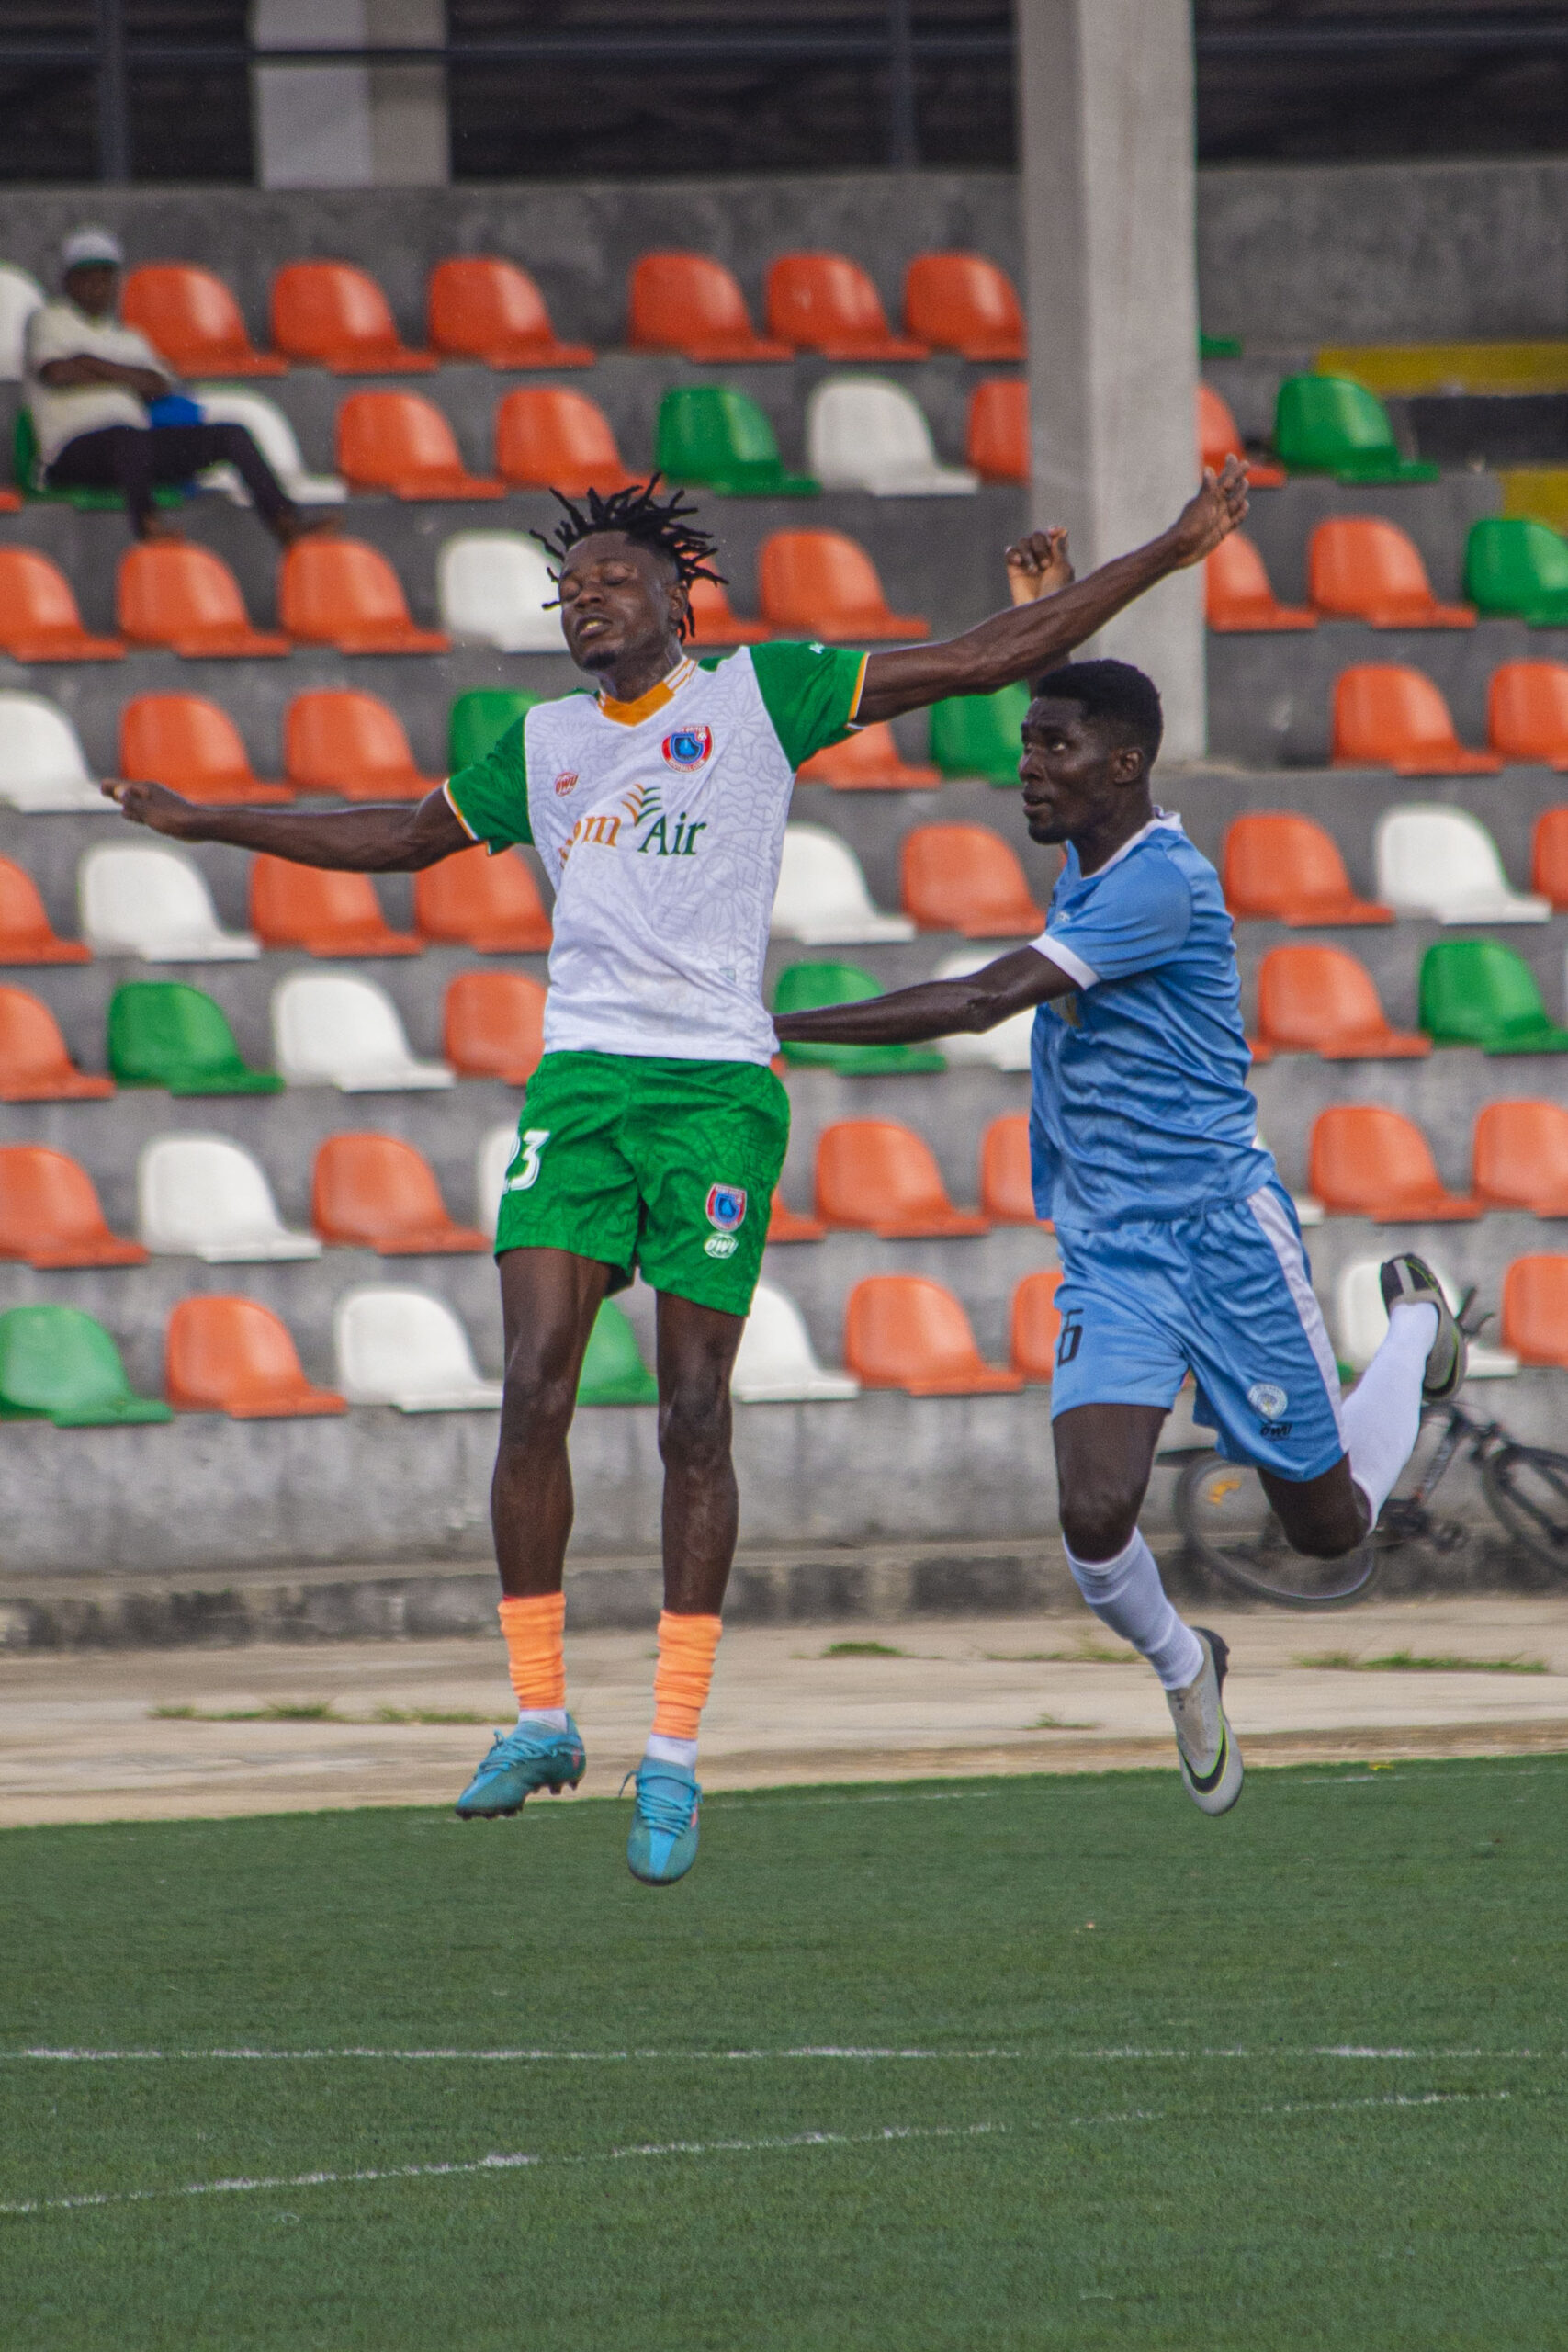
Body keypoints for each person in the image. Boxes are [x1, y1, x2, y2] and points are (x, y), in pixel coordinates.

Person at [105, 461, 1248, 1883]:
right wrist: (211, 825)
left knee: (692, 1412)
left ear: (676, 601)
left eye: (609, 581)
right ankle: (537, 1714)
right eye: (566, 589)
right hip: (580, 1082)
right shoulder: (539, 746)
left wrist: (1169, 545)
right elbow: (399, 840)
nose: (582, 602)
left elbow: (972, 661)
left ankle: (674, 1756)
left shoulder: (758, 701)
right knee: (532, 1379)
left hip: (714, 1090)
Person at [773, 657, 1465, 1816]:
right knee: (1093, 1513)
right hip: (1115, 1252)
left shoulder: (1160, 886)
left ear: (1125, 765)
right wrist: (1064, 602)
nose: (1027, 768)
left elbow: (982, 1002)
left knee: (1331, 1532)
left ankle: (1412, 1330)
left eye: (1054, 748)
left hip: (1222, 1244)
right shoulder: (1097, 850)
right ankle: (1189, 1667)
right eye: (1029, 743)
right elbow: (1107, 706)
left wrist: (772, 1025)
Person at [23, 228, 324, 546]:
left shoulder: (131, 338)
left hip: (131, 451)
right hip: (71, 452)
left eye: (105, 276)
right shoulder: (49, 321)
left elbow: (158, 387)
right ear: (68, 282)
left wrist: (88, 361)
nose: (97, 285)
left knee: (232, 433)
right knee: (127, 437)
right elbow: (57, 373)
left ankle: (286, 523)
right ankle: (149, 527)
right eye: (86, 276)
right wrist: (128, 377)